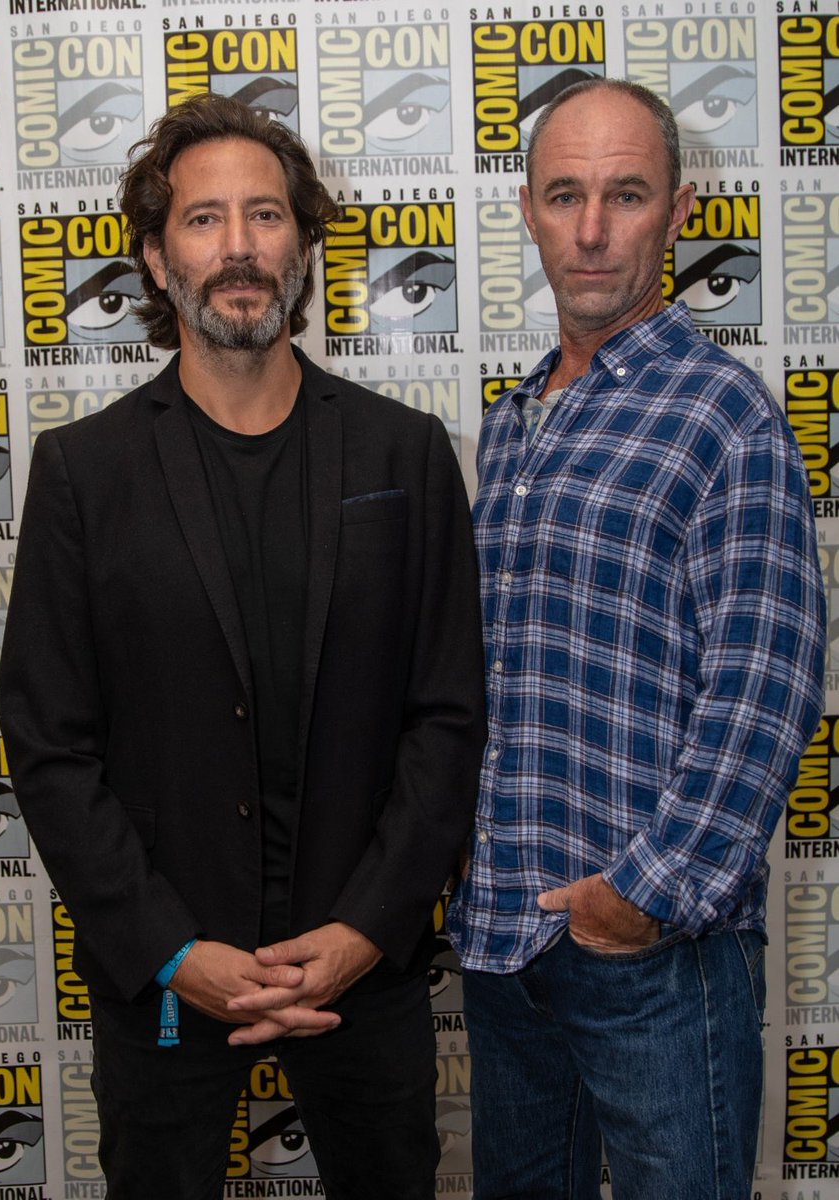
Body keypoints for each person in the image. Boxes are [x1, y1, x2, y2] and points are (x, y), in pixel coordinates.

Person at [0, 94, 486, 1200]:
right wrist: (173, 948)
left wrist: (367, 928)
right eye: (205, 220)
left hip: (361, 968)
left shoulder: (404, 454)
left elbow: (448, 716)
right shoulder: (83, 471)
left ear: (304, 247)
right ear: (156, 256)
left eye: (265, 217)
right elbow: (48, 742)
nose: (239, 249)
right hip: (166, 981)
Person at [448, 78, 826, 1200]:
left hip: (652, 958)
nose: (592, 228)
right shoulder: (512, 422)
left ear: (676, 210)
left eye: (625, 194)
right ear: (527, 209)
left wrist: (647, 896)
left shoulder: (723, 412)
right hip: (507, 945)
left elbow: (768, 683)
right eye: (565, 195)